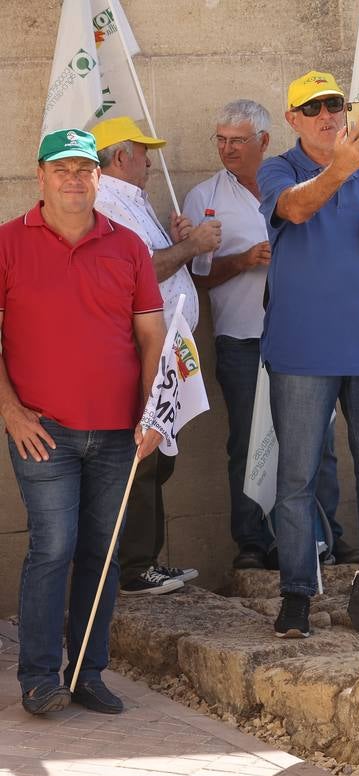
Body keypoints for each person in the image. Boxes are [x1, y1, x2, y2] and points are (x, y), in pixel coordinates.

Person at [2, 129, 166, 715]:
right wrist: (11, 412)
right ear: (40, 176)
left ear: (100, 177)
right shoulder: (7, 243)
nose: (74, 179)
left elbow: (150, 336)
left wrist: (152, 413)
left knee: (102, 550)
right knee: (54, 546)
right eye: (62, 169)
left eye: (84, 170)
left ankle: (87, 673)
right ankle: (39, 677)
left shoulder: (129, 247)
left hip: (120, 432)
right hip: (43, 431)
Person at [259, 70, 359, 638]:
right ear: (293, 119)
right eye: (315, 108)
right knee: (297, 479)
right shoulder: (278, 168)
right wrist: (340, 168)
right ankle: (298, 593)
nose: (328, 115)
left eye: (336, 106)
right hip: (301, 352)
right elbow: (294, 210)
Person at [184, 99, 354, 571]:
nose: (227, 149)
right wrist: (243, 260)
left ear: (263, 140)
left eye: (237, 140)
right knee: (247, 442)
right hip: (243, 337)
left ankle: (325, 537)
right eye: (220, 140)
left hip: (305, 336)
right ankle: (253, 542)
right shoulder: (203, 196)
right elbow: (196, 276)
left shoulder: (301, 187)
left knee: (316, 442)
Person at [91, 116, 217, 596]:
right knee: (143, 456)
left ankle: (144, 562)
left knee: (156, 455)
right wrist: (189, 246)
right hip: (139, 351)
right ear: (122, 157)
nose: (150, 160)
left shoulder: (128, 200)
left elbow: (151, 261)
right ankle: (133, 567)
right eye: (144, 152)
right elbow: (138, 272)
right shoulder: (107, 203)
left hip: (162, 352)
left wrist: (177, 240)